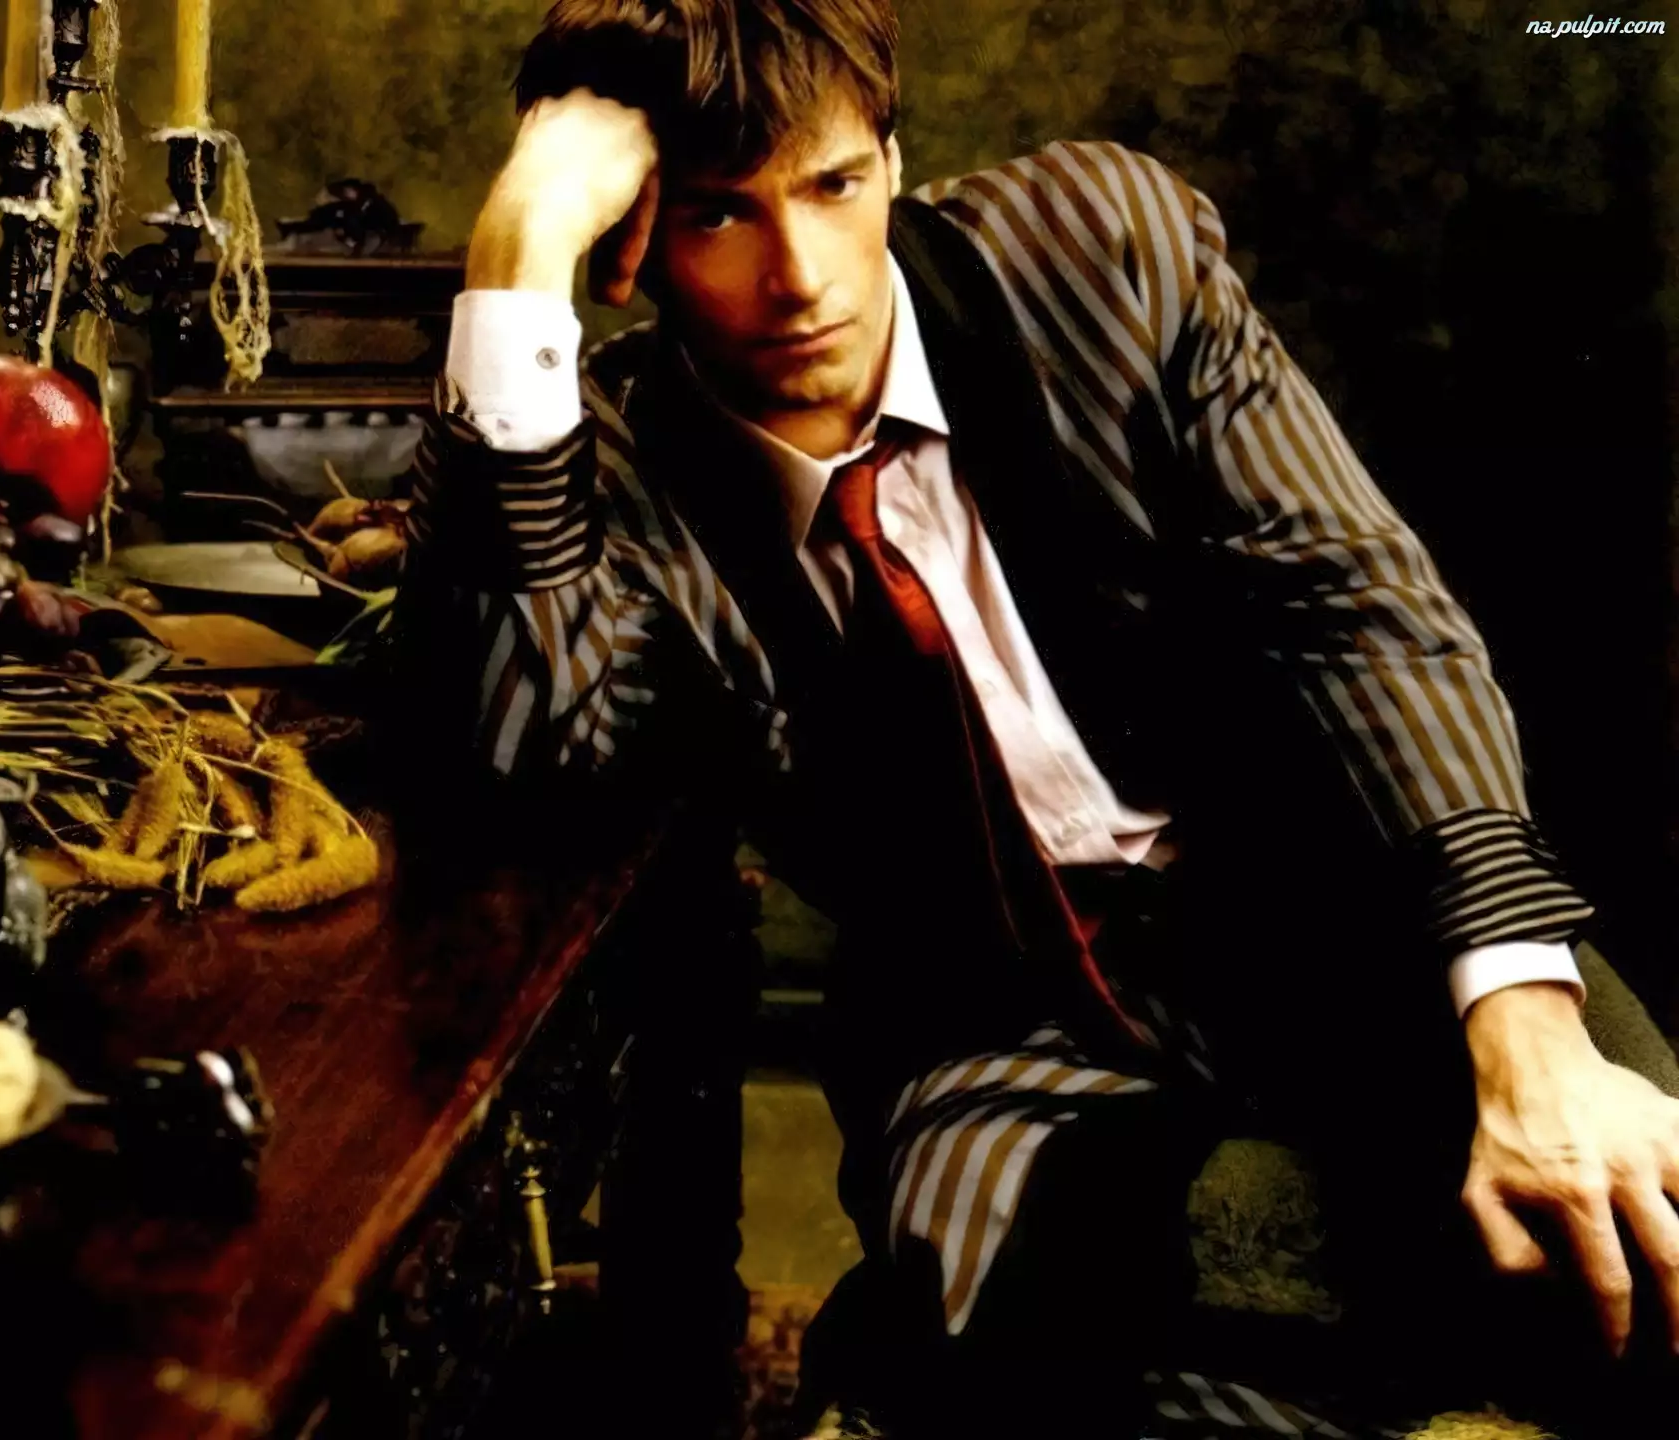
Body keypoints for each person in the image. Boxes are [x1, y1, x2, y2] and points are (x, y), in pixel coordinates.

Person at [389, 0, 1679, 1431]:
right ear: (630, 241)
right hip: (997, 1045)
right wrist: (516, 251)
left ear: (894, 156)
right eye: (717, 216)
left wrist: (1525, 1024)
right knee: (1053, 1289)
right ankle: (1017, 1339)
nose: (801, 276)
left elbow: (1356, 604)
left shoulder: (1095, 249)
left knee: (1641, 1222)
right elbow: (518, 751)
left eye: (835, 185)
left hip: (1354, 915)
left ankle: (964, 1362)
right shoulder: (619, 473)